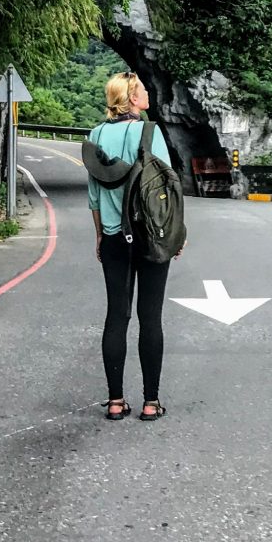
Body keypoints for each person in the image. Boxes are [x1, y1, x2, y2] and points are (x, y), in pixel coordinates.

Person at [87, 71, 175, 421]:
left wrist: (100, 235)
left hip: (113, 237)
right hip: (150, 236)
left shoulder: (94, 136)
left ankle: (115, 401)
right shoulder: (149, 132)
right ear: (131, 98)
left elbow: (93, 196)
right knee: (150, 317)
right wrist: (174, 235)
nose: (147, 94)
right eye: (141, 90)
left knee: (116, 315)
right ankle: (151, 402)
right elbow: (169, 191)